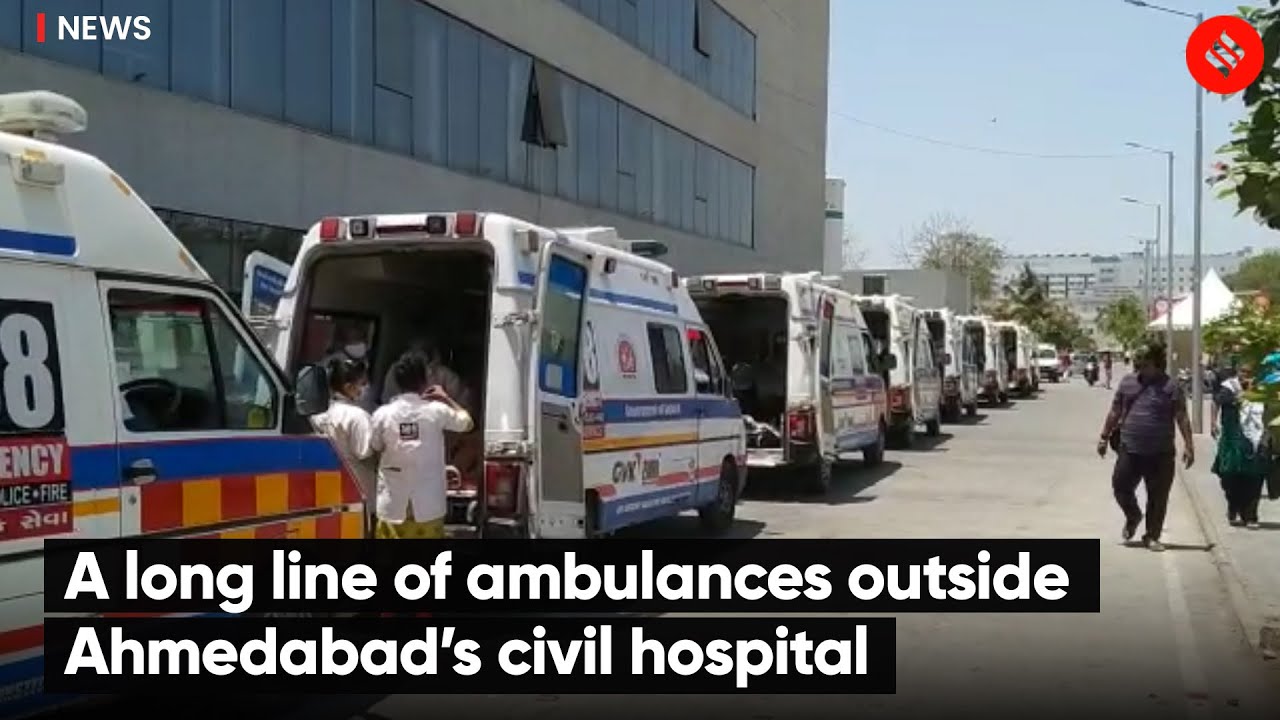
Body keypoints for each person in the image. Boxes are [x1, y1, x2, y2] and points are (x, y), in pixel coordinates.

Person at [1097, 342, 1195, 552]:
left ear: (1157, 364)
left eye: (1145, 364)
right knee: (1121, 487)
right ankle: (1133, 515)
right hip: (1130, 449)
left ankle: (1152, 536)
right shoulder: (1127, 383)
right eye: (1138, 363)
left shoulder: (1171, 386)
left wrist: (1189, 445)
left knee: (1158, 497)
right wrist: (1104, 437)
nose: (1140, 368)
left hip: (1161, 452)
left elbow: (1182, 417)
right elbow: (1114, 411)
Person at [370, 350, 474, 539]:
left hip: (393, 506)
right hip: (428, 507)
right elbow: (467, 423)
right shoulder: (437, 411)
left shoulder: (382, 415)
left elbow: (375, 447)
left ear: (397, 382)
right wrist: (445, 398)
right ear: (424, 381)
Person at [310, 355, 378, 534]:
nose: (366, 388)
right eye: (362, 384)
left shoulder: (317, 415)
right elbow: (368, 452)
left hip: (327, 496)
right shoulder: (357, 417)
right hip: (359, 497)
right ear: (348, 388)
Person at [1211, 363, 1269, 528]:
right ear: (1238, 373)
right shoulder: (1229, 388)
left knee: (1255, 477)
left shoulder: (1262, 390)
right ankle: (1233, 505)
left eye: (1250, 372)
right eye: (1244, 371)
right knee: (1229, 476)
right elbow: (1217, 402)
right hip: (1232, 438)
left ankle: (1250, 516)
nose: (1246, 375)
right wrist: (1213, 422)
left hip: (1255, 439)